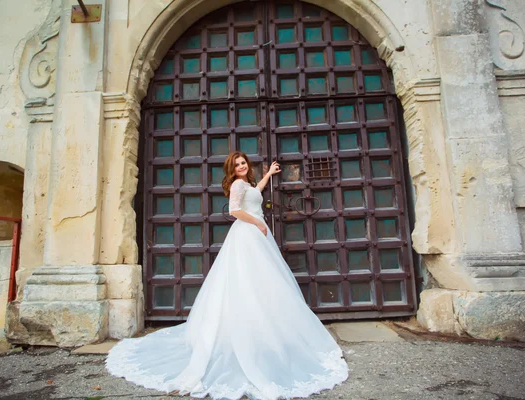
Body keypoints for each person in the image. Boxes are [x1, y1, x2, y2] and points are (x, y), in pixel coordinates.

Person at [106, 151, 349, 399]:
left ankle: (265, 331)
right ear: (232, 169)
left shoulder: (247, 184)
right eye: (237, 164)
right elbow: (234, 210)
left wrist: (267, 175)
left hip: (255, 235)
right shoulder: (236, 184)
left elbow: (254, 195)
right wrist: (258, 223)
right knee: (244, 280)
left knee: (262, 281)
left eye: (244, 163)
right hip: (247, 234)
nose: (242, 166)